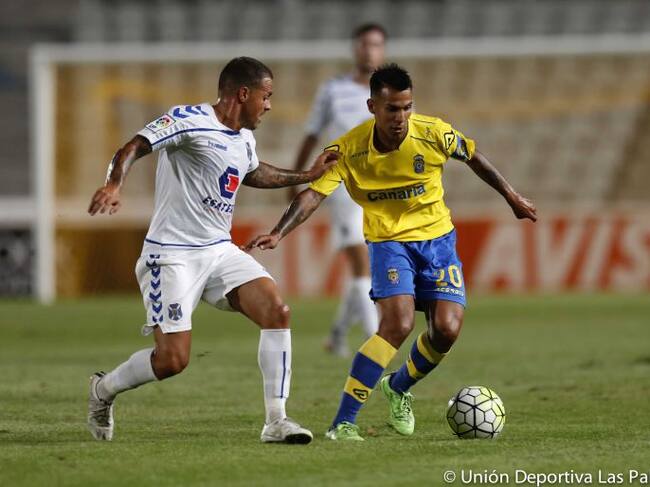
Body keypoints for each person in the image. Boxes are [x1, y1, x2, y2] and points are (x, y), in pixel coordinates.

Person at [246, 64, 537, 441]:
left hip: (438, 240)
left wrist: (512, 197)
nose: (400, 117)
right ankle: (343, 422)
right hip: (388, 243)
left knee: (446, 330)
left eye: (406, 107)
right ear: (372, 107)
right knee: (397, 325)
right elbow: (314, 194)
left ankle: (398, 387)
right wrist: (278, 232)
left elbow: (473, 155)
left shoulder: (433, 132)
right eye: (392, 109)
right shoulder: (348, 149)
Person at [86, 57, 338, 444]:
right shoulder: (188, 120)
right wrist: (114, 184)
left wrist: (308, 175)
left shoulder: (244, 138)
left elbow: (253, 172)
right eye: (266, 96)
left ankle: (276, 421)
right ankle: (103, 389)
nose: (269, 105)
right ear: (244, 94)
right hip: (171, 254)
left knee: (277, 311)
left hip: (219, 250)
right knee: (172, 360)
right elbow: (135, 145)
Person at [291, 23, 386, 357]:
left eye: (376, 44)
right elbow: (311, 134)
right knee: (361, 260)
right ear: (355, 48)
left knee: (369, 266)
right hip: (345, 184)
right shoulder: (333, 90)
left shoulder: (392, 91)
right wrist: (298, 178)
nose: (369, 50)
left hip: (383, 188)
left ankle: (336, 335)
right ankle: (376, 344)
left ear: (383, 50)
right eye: (364, 44)